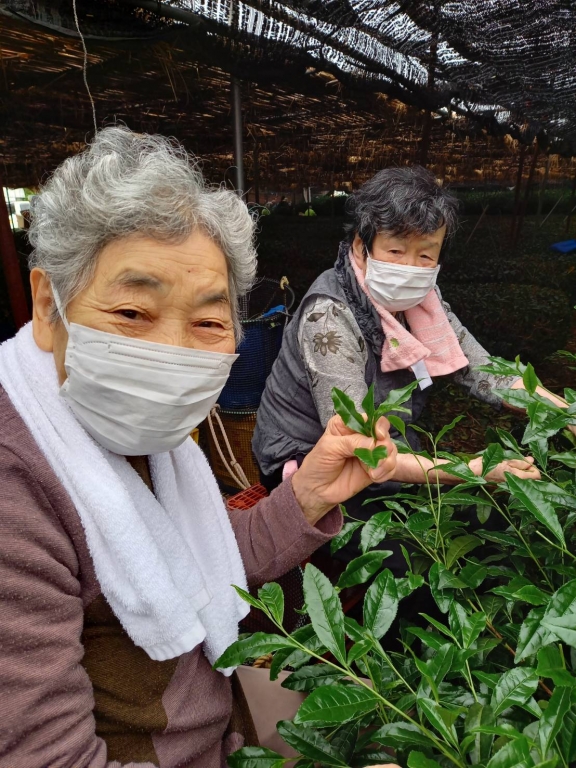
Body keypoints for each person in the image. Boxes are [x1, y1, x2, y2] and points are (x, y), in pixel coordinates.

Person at [0, 128, 398, 767]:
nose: (174, 351)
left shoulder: (146, 440)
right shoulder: (17, 484)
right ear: (50, 306)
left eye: (209, 322)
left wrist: (303, 498)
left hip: (218, 714)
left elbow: (187, 555)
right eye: (132, 314)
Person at [252, 166, 575, 570]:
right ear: (360, 245)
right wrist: (474, 469)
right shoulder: (329, 316)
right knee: (412, 565)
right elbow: (358, 446)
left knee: (484, 531)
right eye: (396, 250)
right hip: (312, 464)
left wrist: (564, 413)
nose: (411, 267)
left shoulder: (425, 300)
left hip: (391, 456)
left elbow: (485, 369)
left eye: (426, 253)